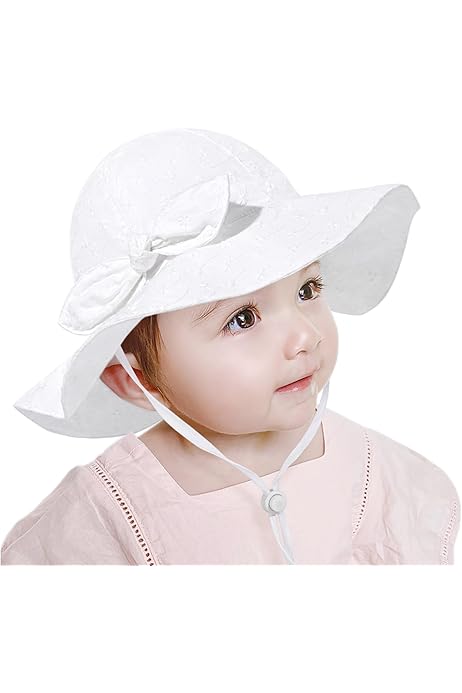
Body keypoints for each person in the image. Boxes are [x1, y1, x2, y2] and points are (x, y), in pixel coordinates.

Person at [1, 128, 459, 565]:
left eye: (307, 290)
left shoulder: (391, 484)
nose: (306, 335)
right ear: (136, 379)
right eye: (242, 319)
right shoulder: (100, 525)